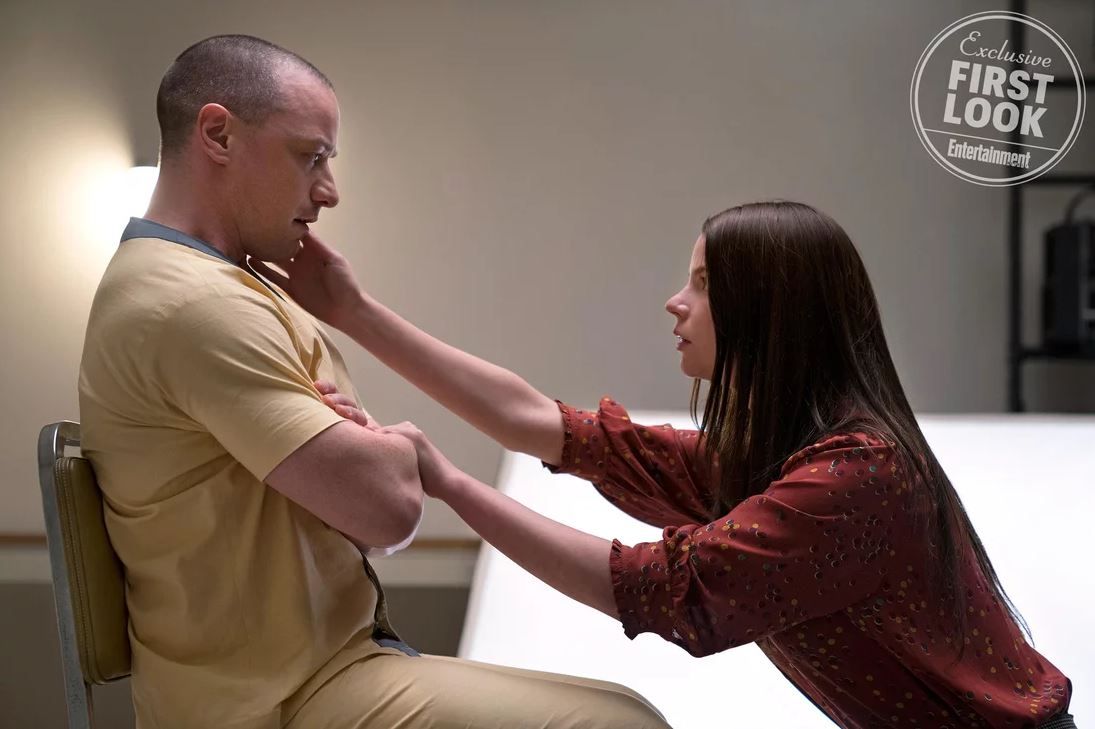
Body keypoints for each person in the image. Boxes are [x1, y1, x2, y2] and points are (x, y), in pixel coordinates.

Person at [260, 201, 1076, 729]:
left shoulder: (852, 478)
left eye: (703, 283)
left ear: (768, 312)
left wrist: (446, 481)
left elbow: (654, 589)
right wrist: (351, 310)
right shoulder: (771, 462)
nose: (674, 302)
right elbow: (536, 422)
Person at [78, 34, 670, 729]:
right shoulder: (193, 303)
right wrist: (382, 458)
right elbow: (387, 510)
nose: (328, 191)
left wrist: (369, 439)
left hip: (318, 672)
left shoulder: (217, 290)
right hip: (274, 701)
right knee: (618, 724)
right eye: (312, 157)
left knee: (624, 709)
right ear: (217, 134)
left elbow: (372, 508)